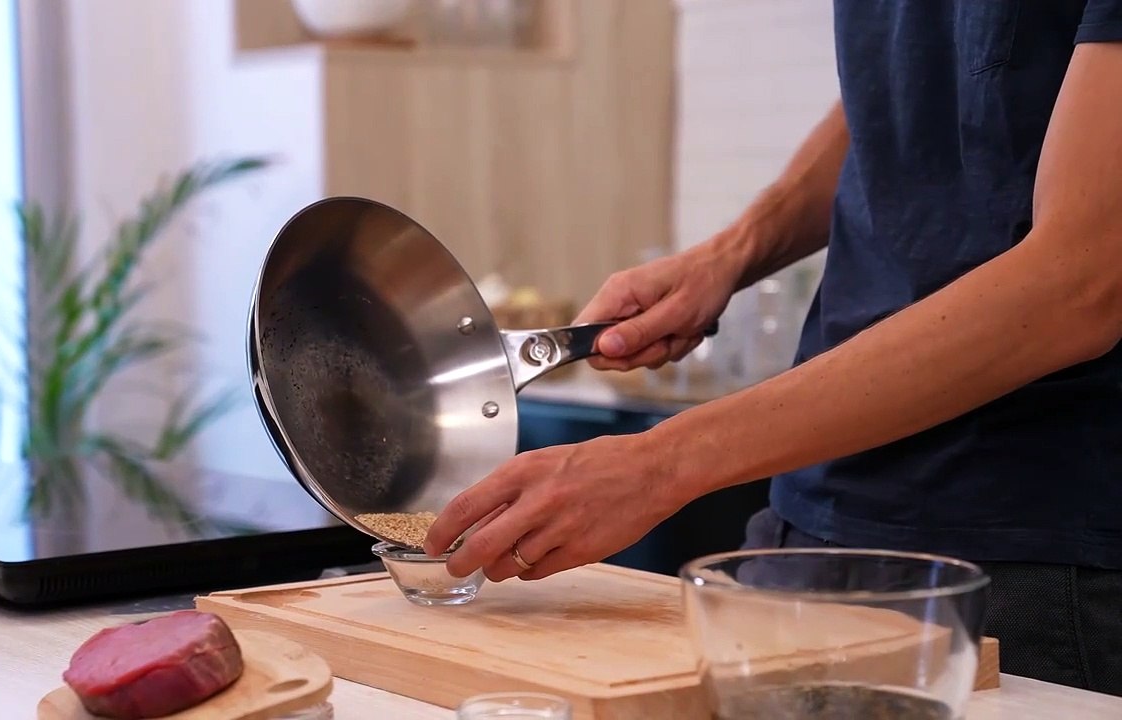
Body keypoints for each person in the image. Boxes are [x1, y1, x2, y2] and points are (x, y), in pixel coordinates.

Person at [424, 0, 1122, 697]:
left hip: (1030, 562)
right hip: (804, 520)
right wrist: (735, 252)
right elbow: (895, 90)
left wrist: (660, 463)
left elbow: (1082, 282)